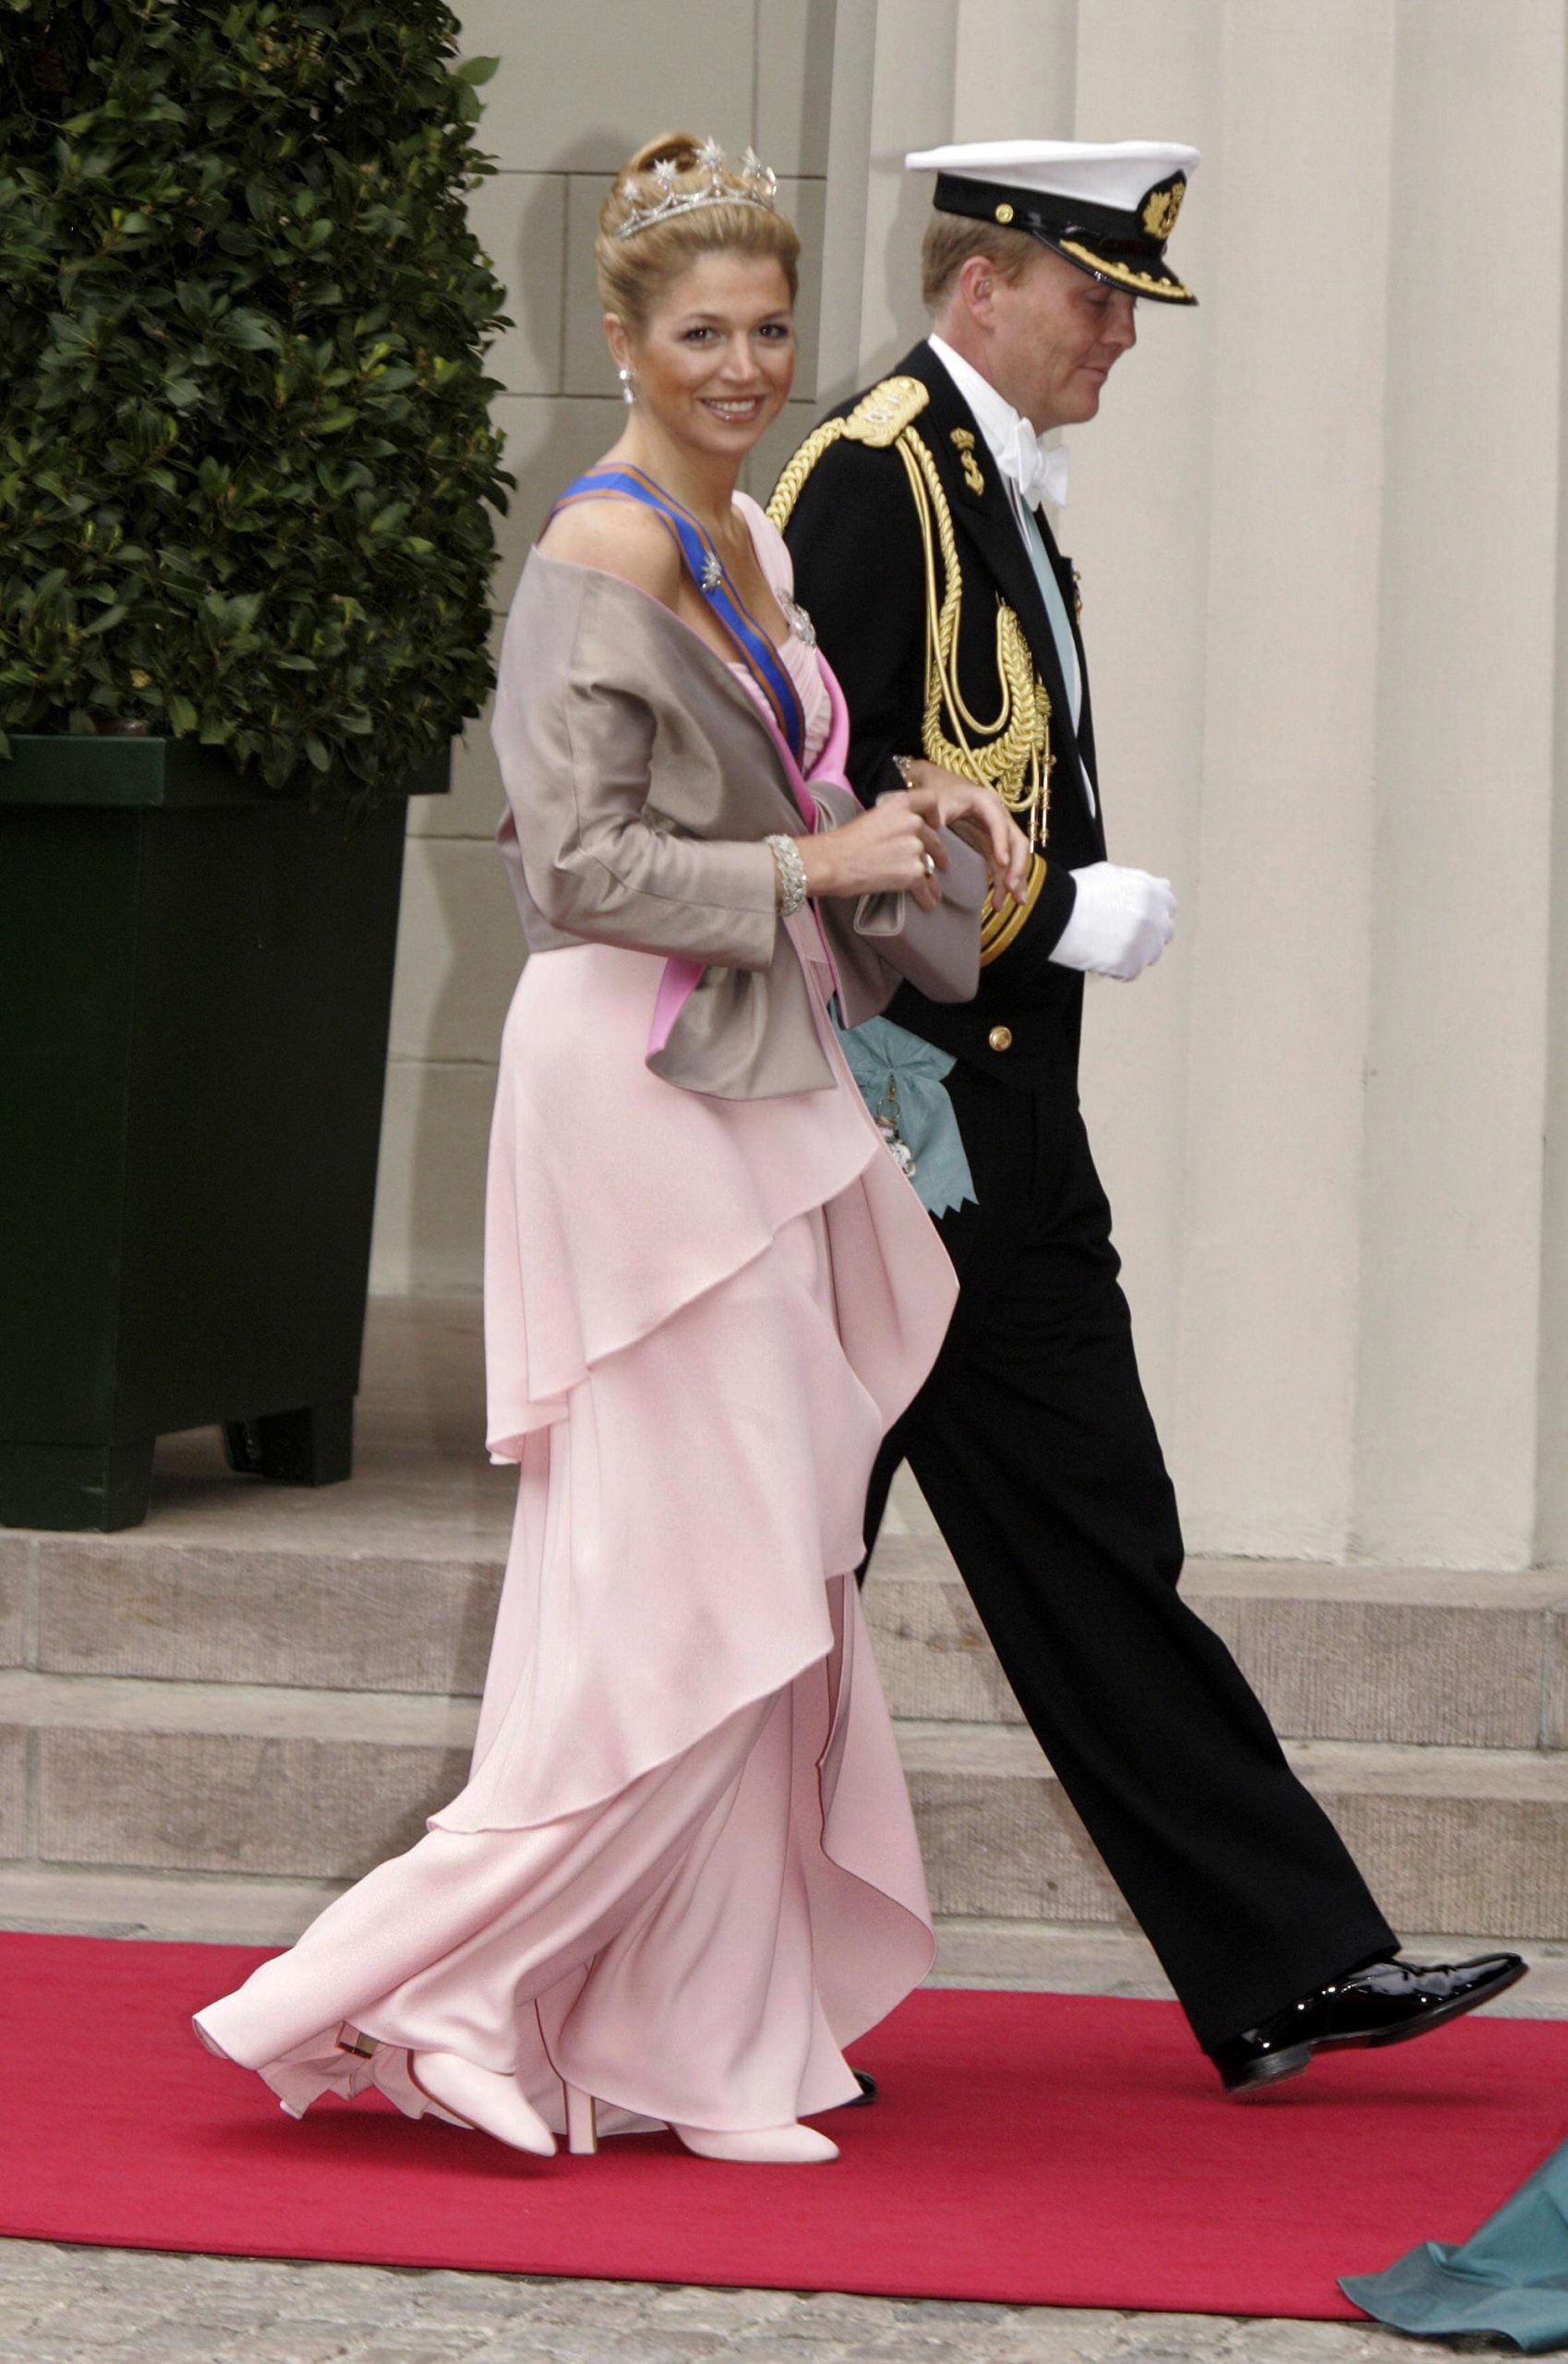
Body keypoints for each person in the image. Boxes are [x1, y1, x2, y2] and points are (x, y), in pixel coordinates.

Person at [191, 132, 1026, 2167]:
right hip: (637, 1081)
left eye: (769, 329)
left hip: (750, 1072)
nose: (744, 366)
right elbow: (573, 867)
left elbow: (780, 797)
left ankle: (701, 2041)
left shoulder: (745, 537)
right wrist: (811, 863)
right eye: (702, 334)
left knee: (759, 1572)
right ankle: (442, 1990)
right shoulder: (604, 550)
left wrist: (919, 816)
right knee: (696, 1579)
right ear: (622, 339)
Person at [773, 138, 1526, 2095]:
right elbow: (809, 794)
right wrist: (1049, 913)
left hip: (1005, 1131)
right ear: (984, 285)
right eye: (1095, 295)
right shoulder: (873, 474)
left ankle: (1290, 1963)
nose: (1119, 335)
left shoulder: (993, 480)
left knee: (1098, 1541)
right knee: (769, 1573)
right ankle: (670, 1986)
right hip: (889, 1132)